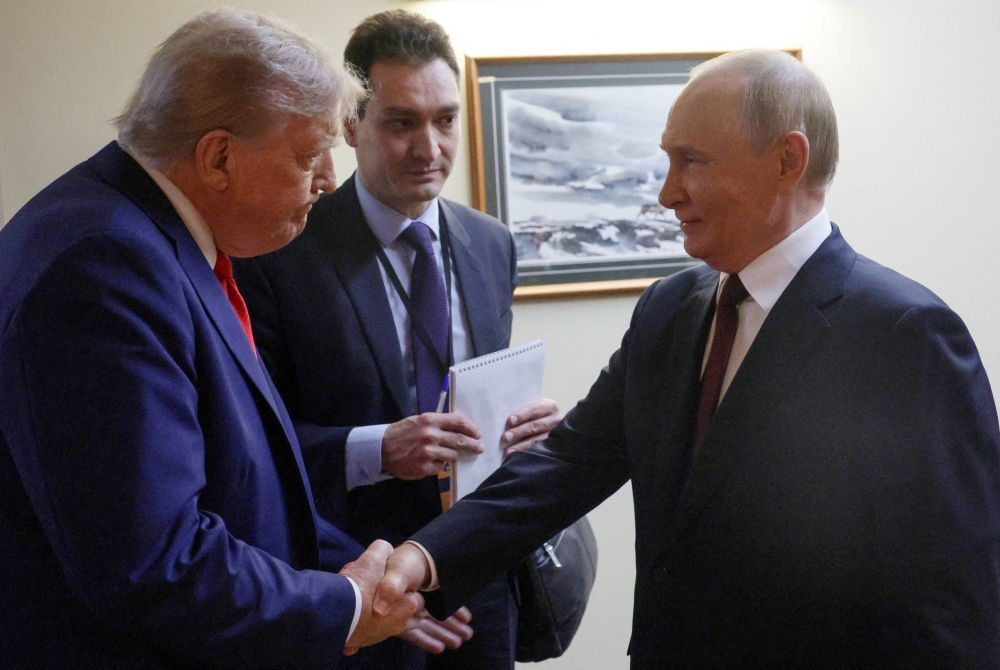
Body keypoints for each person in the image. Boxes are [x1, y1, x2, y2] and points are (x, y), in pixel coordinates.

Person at [376, 49, 1000, 668]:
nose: (667, 192)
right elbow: (569, 463)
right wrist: (422, 558)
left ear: (788, 160)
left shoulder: (904, 335)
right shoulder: (670, 309)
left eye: (691, 162)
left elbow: (954, 601)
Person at [0, 9, 422, 668]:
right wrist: (340, 606)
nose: (328, 182)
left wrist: (366, 571)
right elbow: (151, 560)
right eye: (311, 155)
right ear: (219, 156)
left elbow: (243, 489)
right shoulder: (106, 266)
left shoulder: (146, 239)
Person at [233, 10, 560, 669]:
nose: (429, 148)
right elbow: (253, 450)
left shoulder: (491, 245)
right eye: (402, 122)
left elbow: (484, 398)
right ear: (351, 126)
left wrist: (523, 431)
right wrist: (377, 449)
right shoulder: (277, 252)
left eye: (444, 120)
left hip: (480, 578)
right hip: (352, 582)